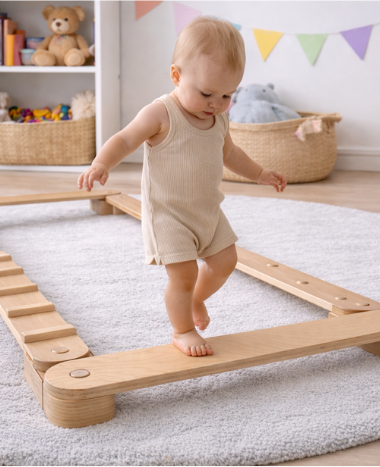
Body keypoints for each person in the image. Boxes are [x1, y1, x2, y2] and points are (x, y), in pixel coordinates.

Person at [77, 16, 286, 357]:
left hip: (207, 210)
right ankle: (183, 330)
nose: (216, 103)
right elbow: (125, 139)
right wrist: (102, 163)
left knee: (226, 261)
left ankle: (197, 300)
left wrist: (259, 173)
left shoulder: (219, 118)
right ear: (176, 76)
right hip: (168, 215)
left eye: (227, 95)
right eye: (206, 93)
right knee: (184, 275)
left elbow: (231, 154)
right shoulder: (161, 113)